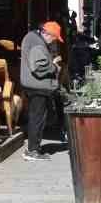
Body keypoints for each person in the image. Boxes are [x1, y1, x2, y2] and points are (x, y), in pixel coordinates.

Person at [20, 21, 64, 161]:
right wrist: (55, 66)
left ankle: (34, 149)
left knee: (36, 117)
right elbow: (38, 68)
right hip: (37, 86)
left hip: (33, 85)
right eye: (53, 38)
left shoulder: (33, 38)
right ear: (46, 33)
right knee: (37, 118)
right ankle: (33, 150)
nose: (53, 41)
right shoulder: (37, 43)